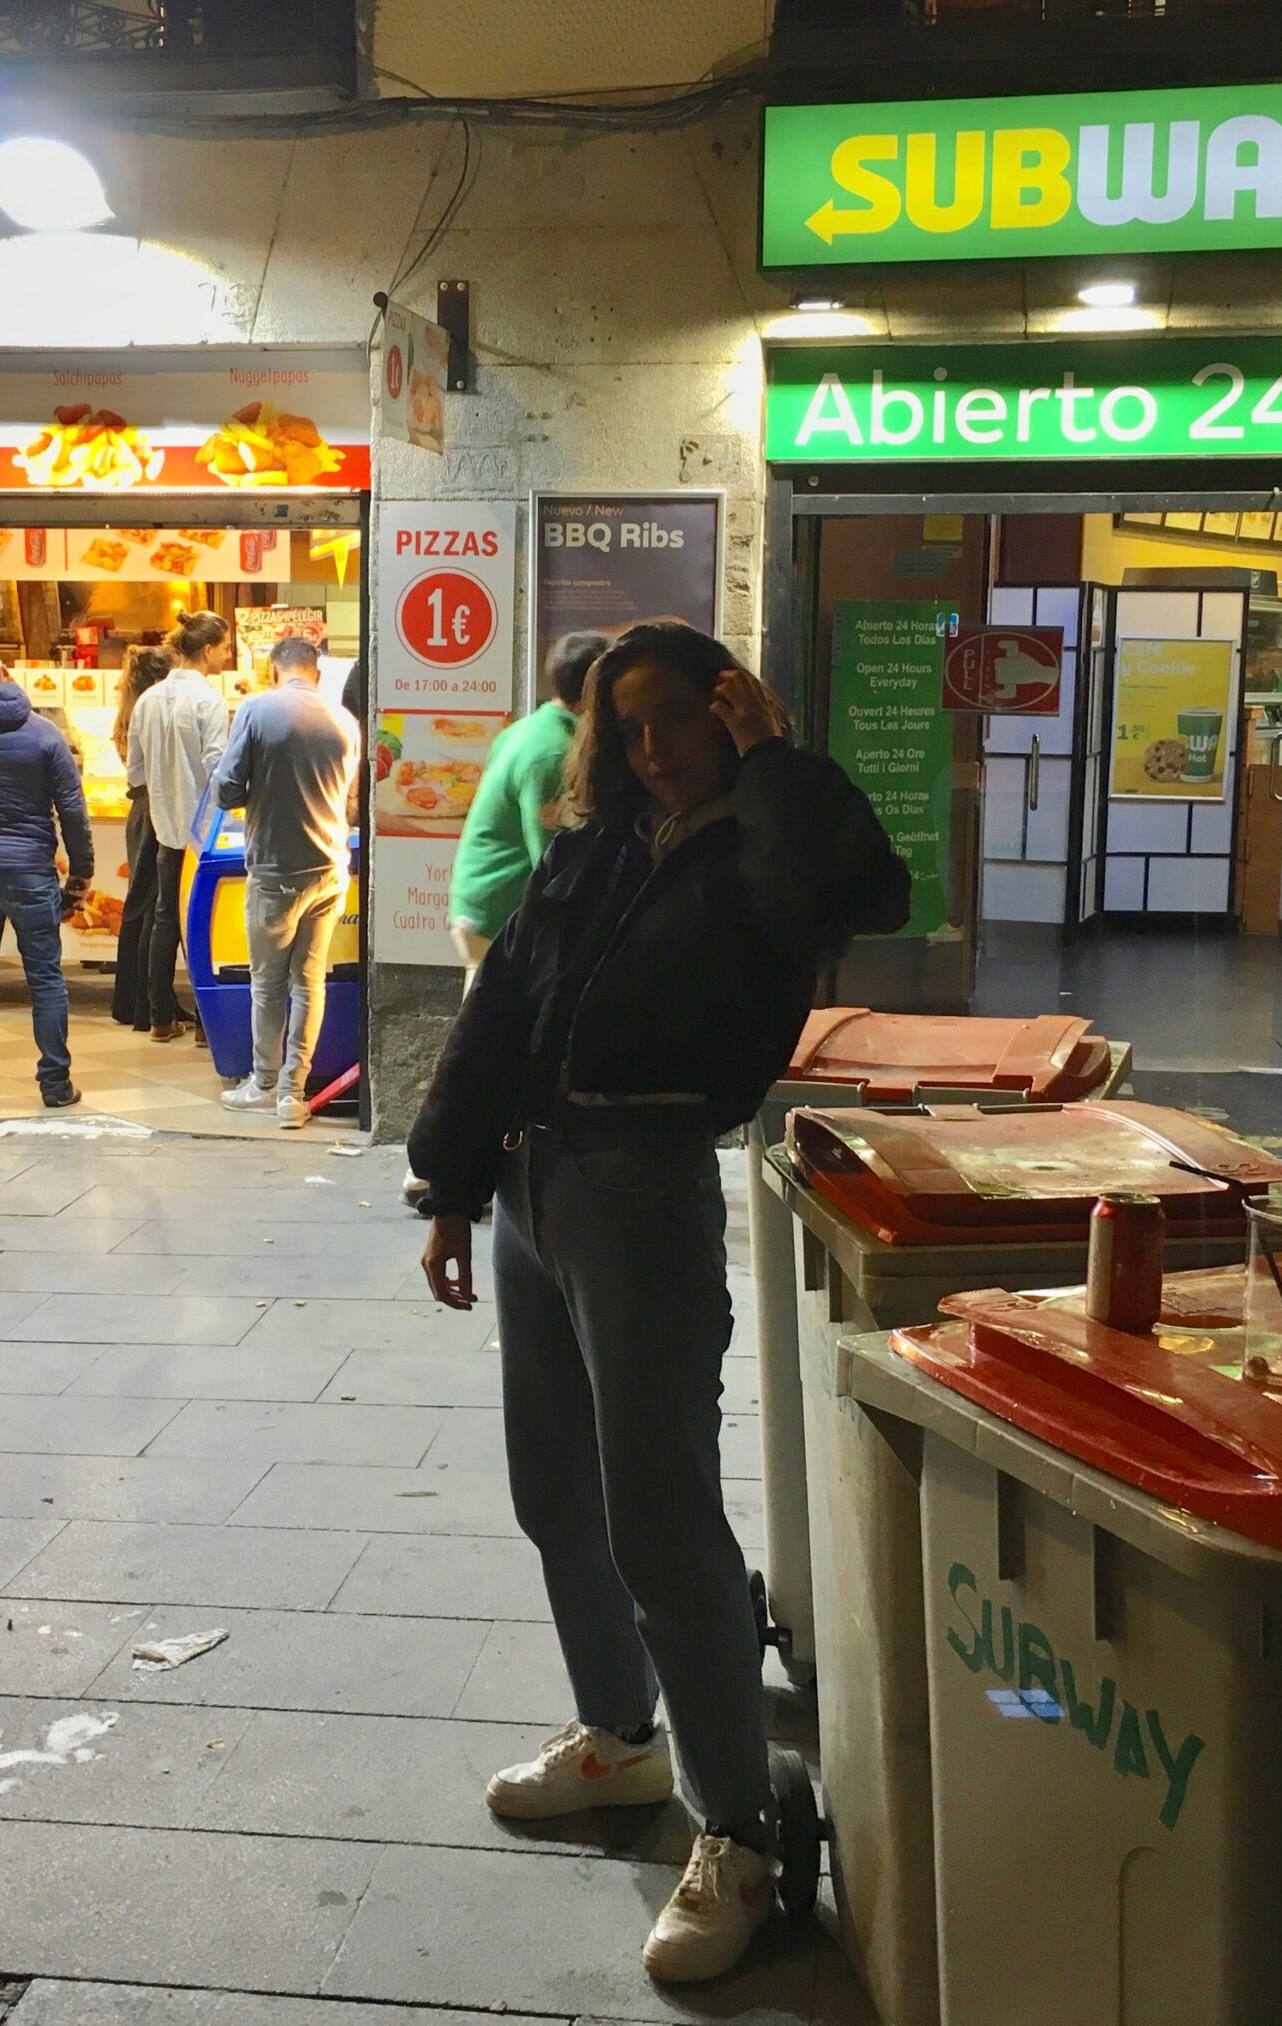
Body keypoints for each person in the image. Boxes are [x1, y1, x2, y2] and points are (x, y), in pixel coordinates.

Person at [406, 621, 909, 1985]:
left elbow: (867, 888)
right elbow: (503, 1006)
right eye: (624, 726)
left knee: (660, 1511)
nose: (648, 745)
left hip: (645, 1183)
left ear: (727, 707)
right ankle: (618, 1737)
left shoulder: (768, 847)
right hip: (532, 1181)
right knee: (552, 1491)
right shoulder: (594, 850)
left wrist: (774, 757)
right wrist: (448, 1180)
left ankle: (738, 1830)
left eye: (674, 716)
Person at [210, 634, 359, 1128]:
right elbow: (352, 802)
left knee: (267, 985)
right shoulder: (345, 721)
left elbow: (227, 789)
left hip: (275, 870)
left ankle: (264, 1083)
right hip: (331, 869)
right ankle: (293, 1096)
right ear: (315, 670)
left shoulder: (258, 710)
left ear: (276, 669)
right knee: (309, 982)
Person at [0, 641, 93, 1108]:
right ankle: (54, 1084)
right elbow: (72, 810)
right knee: (46, 978)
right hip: (31, 871)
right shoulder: (44, 734)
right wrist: (80, 876)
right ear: (4, 670)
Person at [448, 628, 607, 976]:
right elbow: (550, 857)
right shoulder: (553, 752)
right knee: (497, 1026)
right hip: (500, 912)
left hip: (483, 904)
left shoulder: (529, 729)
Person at [132, 610, 231, 1042]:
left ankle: (160, 1018)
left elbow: (135, 771)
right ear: (207, 650)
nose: (228, 656)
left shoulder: (147, 700)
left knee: (164, 919)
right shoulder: (209, 701)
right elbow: (218, 767)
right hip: (205, 831)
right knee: (205, 923)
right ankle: (208, 1025)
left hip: (165, 825)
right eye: (226, 648)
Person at [108, 642, 172, 1030]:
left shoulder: (129, 711)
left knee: (138, 906)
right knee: (153, 906)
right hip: (154, 810)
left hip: (140, 810)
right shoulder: (152, 711)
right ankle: (146, 1006)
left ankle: (130, 1001)